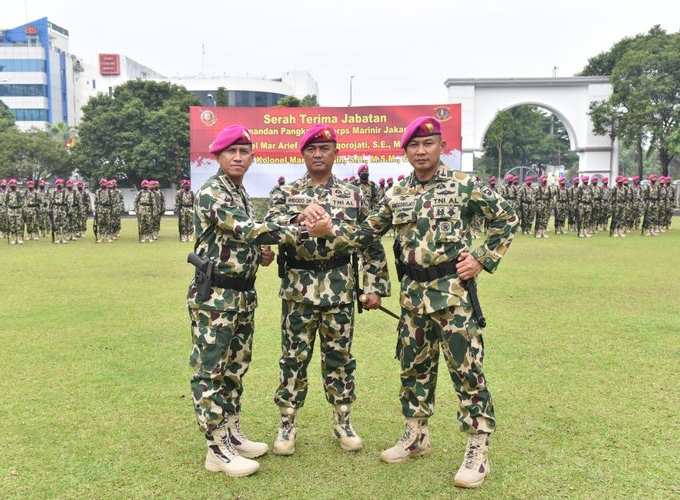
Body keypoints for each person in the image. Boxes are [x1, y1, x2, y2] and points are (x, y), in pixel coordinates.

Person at [304, 116, 517, 488]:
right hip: (412, 298)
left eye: (428, 144)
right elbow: (364, 233)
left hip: (453, 296)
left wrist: (482, 257)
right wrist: (330, 230)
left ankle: (477, 448)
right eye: (414, 146)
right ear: (405, 151)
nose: (421, 151)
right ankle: (416, 435)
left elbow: (507, 219)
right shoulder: (397, 194)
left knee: (467, 371)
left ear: (441, 147)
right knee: (413, 370)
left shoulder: (464, 185)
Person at [187, 124, 331, 477]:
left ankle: (232, 433)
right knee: (210, 371)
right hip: (215, 297)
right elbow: (246, 230)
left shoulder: (240, 193)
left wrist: (260, 254)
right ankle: (215, 447)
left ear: (251, 157)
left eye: (244, 152)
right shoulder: (213, 192)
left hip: (241, 294)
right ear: (218, 157)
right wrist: (301, 228)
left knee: (235, 368)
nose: (238, 157)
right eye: (230, 152)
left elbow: (248, 239)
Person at [264, 124, 390, 457]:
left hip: (339, 290)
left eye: (325, 148)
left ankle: (343, 422)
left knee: (340, 359)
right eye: (311, 149)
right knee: (293, 359)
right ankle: (287, 424)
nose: (318, 155)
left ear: (335, 152)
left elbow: (369, 241)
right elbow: (271, 231)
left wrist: (374, 285)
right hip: (298, 291)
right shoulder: (285, 194)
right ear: (302, 154)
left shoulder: (353, 195)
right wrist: (299, 220)